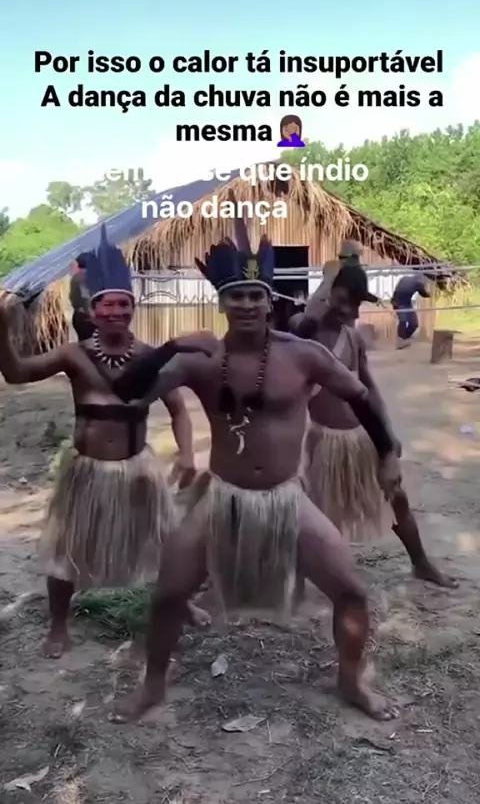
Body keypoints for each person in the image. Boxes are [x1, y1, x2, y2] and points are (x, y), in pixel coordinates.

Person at [108, 216, 404, 725]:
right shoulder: (200, 360)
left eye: (254, 296)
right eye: (236, 296)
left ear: (269, 302)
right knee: (169, 594)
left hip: (287, 499)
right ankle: (152, 686)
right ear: (221, 303)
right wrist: (171, 347)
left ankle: (352, 681)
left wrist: (387, 452)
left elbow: (360, 398)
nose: (246, 304)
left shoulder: (305, 355)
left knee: (351, 593)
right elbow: (126, 393)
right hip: (222, 498)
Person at [0, 226, 213, 658]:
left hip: (138, 469)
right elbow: (17, 373)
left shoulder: (149, 355)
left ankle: (180, 602)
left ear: (133, 308)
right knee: (67, 550)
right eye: (108, 305)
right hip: (87, 471)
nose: (116, 312)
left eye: (123, 304)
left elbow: (177, 408)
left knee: (166, 543)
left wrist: (188, 454)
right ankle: (59, 625)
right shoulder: (73, 354)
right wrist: (1, 330)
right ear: (93, 311)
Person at [294, 263, 456, 588]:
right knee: (316, 515)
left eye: (355, 304)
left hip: (363, 437)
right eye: (342, 300)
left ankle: (421, 563)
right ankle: (301, 578)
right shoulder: (303, 332)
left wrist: (388, 435)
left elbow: (370, 391)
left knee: (396, 498)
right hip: (323, 443)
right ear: (326, 294)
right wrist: (328, 281)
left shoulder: (353, 338)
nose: (349, 311)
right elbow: (305, 323)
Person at [391, 272, 430, 349]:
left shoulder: (404, 278)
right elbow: (424, 294)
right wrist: (430, 294)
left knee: (413, 323)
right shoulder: (418, 283)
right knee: (404, 321)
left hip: (404, 303)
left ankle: (403, 339)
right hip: (399, 303)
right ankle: (400, 341)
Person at [70, 252, 95, 341]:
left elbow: (72, 297)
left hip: (78, 315)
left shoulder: (75, 277)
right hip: (87, 317)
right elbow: (85, 298)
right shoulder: (85, 277)